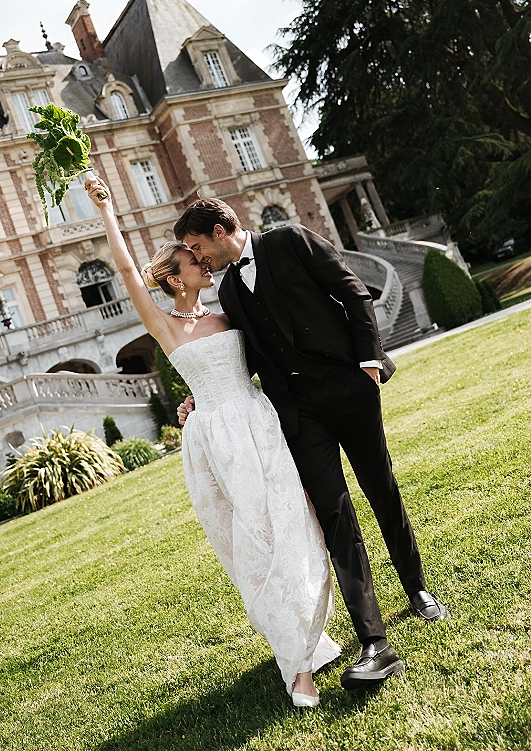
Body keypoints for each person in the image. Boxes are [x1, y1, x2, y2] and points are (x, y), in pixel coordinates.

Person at [84, 174, 341, 708]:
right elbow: (129, 270)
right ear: (175, 280)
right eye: (192, 262)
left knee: (294, 524)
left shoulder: (229, 313)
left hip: (259, 421)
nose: (204, 263)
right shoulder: (164, 327)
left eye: (201, 256)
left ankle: (310, 636)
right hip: (217, 441)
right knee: (252, 543)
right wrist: (106, 208)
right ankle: (296, 668)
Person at [174, 197, 449, 690]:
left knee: (381, 489)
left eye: (197, 246)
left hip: (349, 388)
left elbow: (354, 292)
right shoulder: (232, 290)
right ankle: (373, 640)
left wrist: (369, 363)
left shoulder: (289, 239)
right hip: (299, 415)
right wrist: (199, 396)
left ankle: (418, 589)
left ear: (219, 230)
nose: (199, 258)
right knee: (335, 516)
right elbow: (254, 354)